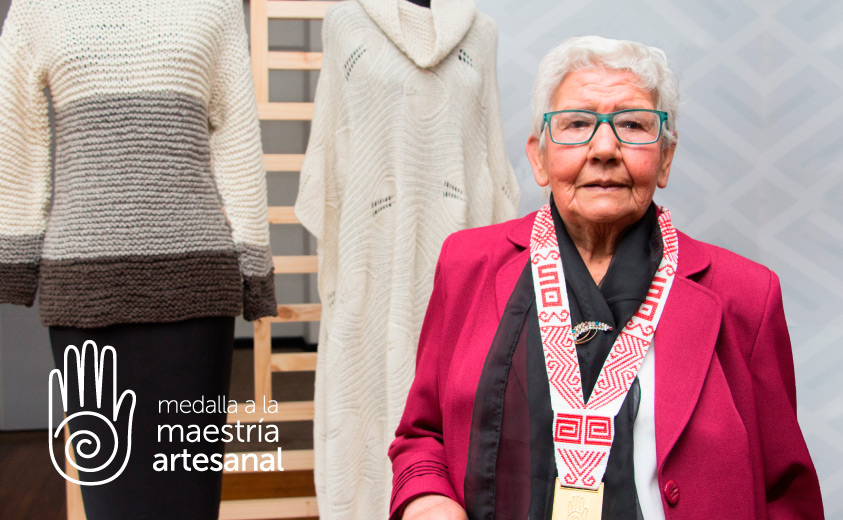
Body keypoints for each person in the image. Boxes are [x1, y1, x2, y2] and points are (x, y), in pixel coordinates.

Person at [388, 36, 824, 519]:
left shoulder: (747, 295)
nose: (604, 148)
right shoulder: (467, 264)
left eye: (633, 125)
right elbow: (422, 435)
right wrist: (427, 502)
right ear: (538, 157)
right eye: (577, 124)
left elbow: (786, 491)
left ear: (666, 158)